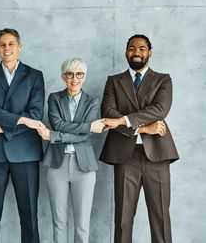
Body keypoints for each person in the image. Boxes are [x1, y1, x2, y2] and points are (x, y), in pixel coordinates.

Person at [100, 34, 179, 243]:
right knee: (123, 220)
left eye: (142, 48)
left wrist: (124, 120)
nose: (137, 52)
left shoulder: (163, 79)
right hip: (125, 156)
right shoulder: (114, 81)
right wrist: (145, 129)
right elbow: (108, 113)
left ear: (149, 52)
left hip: (157, 155)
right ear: (126, 52)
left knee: (160, 217)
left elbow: (160, 109)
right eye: (132, 48)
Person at [0, 28, 45, 243]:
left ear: (19, 46)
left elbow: (35, 114)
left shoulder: (34, 76)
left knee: (29, 215)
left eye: (11, 44)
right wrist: (21, 119)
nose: (7, 48)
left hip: (25, 153)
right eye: (2, 44)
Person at [32, 58, 105, 243]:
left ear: (84, 77)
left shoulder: (92, 101)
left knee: (82, 225)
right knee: (59, 222)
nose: (74, 79)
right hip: (57, 165)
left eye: (79, 74)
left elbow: (83, 136)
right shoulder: (55, 98)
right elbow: (57, 124)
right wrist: (87, 126)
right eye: (70, 74)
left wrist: (54, 136)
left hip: (84, 168)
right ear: (63, 76)